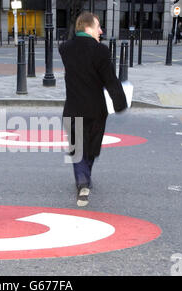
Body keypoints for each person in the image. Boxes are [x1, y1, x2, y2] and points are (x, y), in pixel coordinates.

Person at [59, 12, 127, 207]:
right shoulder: (101, 51)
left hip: (73, 109)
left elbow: (71, 45)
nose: (101, 31)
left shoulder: (65, 49)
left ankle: (82, 180)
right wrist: (120, 103)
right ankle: (84, 180)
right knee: (91, 148)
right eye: (98, 27)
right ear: (88, 28)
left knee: (77, 147)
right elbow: (110, 81)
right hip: (96, 110)